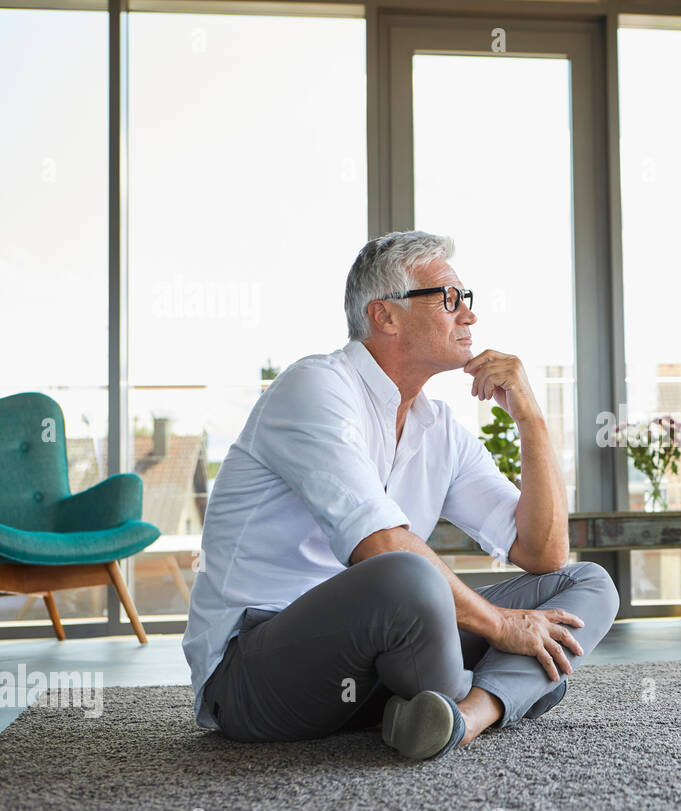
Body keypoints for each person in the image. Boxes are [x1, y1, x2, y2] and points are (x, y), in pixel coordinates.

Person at [182, 230, 619, 760]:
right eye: (449, 299)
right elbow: (379, 546)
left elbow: (543, 553)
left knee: (585, 582)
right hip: (256, 677)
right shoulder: (315, 388)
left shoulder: (440, 429)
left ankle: (463, 716)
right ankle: (504, 691)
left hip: (377, 671)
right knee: (405, 572)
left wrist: (532, 420)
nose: (469, 315)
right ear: (385, 315)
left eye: (466, 299)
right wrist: (502, 626)